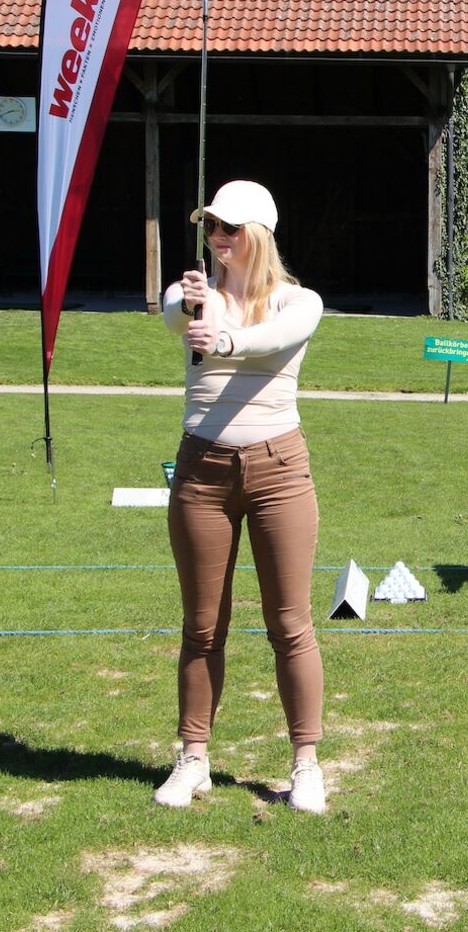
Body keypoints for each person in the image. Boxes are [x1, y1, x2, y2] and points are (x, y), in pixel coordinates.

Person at [156, 179, 329, 813]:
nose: (217, 238)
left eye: (230, 228)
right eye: (211, 227)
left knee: (291, 624)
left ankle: (306, 764)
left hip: (280, 470)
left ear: (258, 234)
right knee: (202, 626)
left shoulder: (299, 302)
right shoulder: (190, 293)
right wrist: (193, 307)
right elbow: (175, 314)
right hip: (201, 472)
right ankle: (193, 758)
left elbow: (272, 339)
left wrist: (224, 339)